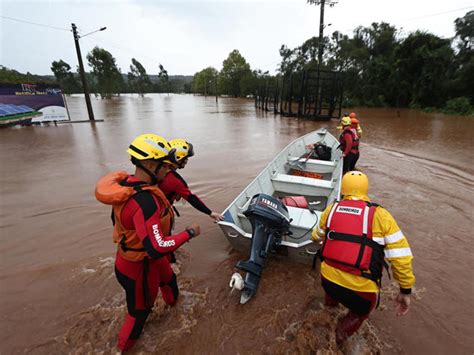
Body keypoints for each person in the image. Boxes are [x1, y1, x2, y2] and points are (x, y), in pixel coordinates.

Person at [95, 134, 201, 352]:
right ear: (151, 165)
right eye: (165, 167)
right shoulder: (144, 201)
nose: (168, 172)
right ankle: (123, 350)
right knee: (139, 313)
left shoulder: (127, 185)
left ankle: (174, 312)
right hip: (138, 267)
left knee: (170, 280)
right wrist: (189, 233)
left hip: (145, 260)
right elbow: (157, 246)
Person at [311, 171, 415, 345]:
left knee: (331, 300)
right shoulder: (381, 215)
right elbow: (400, 257)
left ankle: (328, 313)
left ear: (343, 189)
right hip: (361, 289)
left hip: (328, 279)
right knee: (359, 313)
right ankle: (336, 340)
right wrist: (405, 290)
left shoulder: (331, 209)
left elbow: (316, 236)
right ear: (366, 189)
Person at [159, 138, 224, 222]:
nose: (187, 161)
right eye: (185, 158)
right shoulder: (175, 180)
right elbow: (191, 198)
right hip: (160, 214)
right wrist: (210, 213)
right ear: (178, 158)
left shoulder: (157, 170)